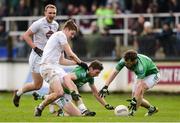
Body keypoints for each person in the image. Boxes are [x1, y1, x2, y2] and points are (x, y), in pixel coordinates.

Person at [34, 19, 89, 117]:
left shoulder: (60, 40)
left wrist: (76, 63)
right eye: (72, 33)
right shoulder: (60, 35)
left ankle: (83, 110)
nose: (72, 36)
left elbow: (62, 61)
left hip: (55, 67)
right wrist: (81, 62)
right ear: (67, 29)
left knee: (71, 84)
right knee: (59, 92)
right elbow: (70, 54)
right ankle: (40, 107)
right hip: (47, 67)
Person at [13, 4, 59, 107]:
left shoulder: (56, 25)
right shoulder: (38, 24)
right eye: (50, 13)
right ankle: (18, 93)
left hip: (48, 58)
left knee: (55, 82)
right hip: (37, 58)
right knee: (37, 85)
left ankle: (52, 109)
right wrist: (35, 48)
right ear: (45, 13)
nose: (52, 15)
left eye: (54, 13)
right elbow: (25, 35)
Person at [33, 60, 114, 116]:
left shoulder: (90, 77)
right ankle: (84, 110)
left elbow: (95, 93)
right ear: (91, 68)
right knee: (69, 98)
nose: (97, 75)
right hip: (60, 90)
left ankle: (41, 97)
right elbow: (67, 77)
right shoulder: (81, 72)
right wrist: (73, 91)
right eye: (97, 72)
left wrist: (106, 105)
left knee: (76, 114)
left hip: (68, 94)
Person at [99, 49, 160, 116]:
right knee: (134, 98)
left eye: (128, 63)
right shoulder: (124, 61)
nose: (126, 65)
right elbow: (114, 73)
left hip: (153, 75)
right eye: (126, 62)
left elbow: (140, 85)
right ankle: (152, 109)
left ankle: (132, 113)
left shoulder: (140, 67)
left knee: (139, 92)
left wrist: (135, 99)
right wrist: (106, 86)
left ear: (134, 61)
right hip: (141, 76)